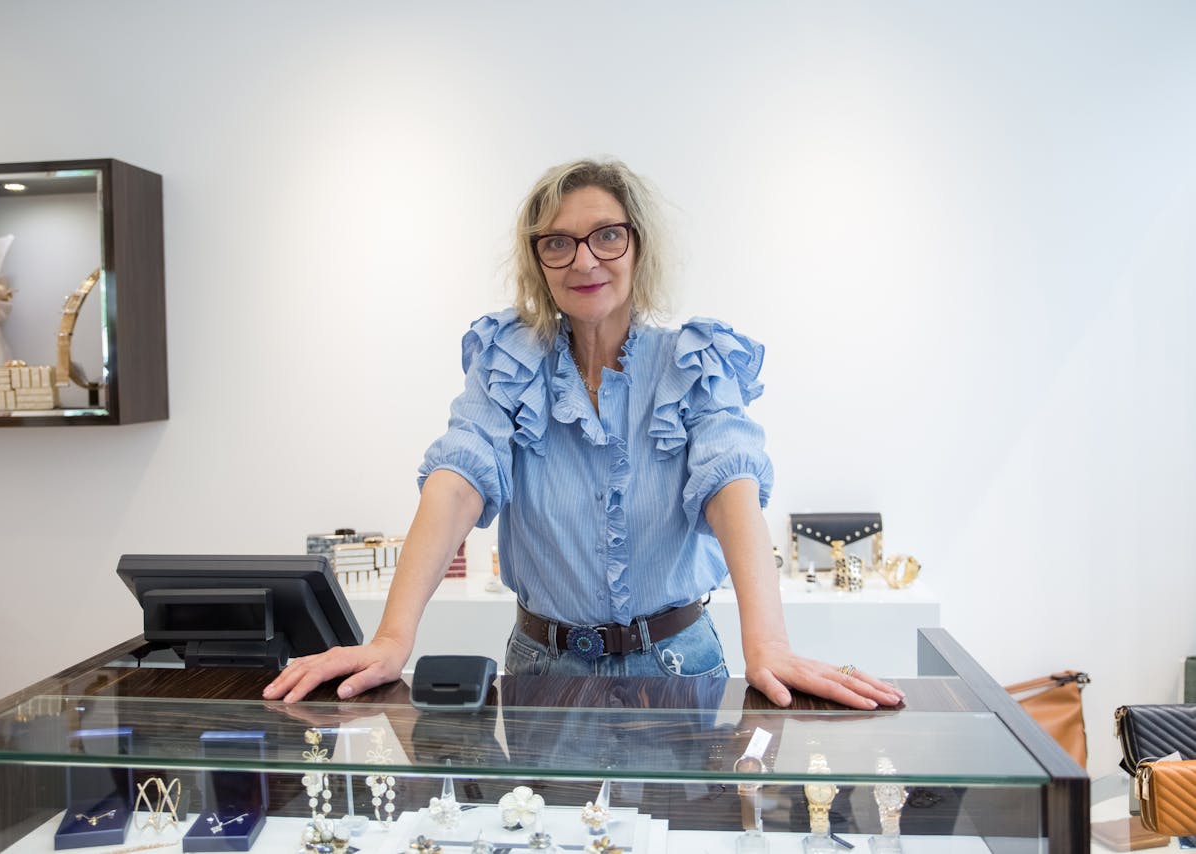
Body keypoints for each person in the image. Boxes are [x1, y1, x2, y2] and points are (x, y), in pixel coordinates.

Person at [265, 158, 902, 710]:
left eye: (607, 237)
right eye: (558, 243)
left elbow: (729, 482)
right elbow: (458, 480)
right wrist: (391, 639)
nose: (584, 259)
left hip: (677, 674)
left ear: (639, 247)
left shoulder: (693, 360)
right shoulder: (507, 363)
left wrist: (768, 645)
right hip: (543, 674)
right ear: (538, 260)